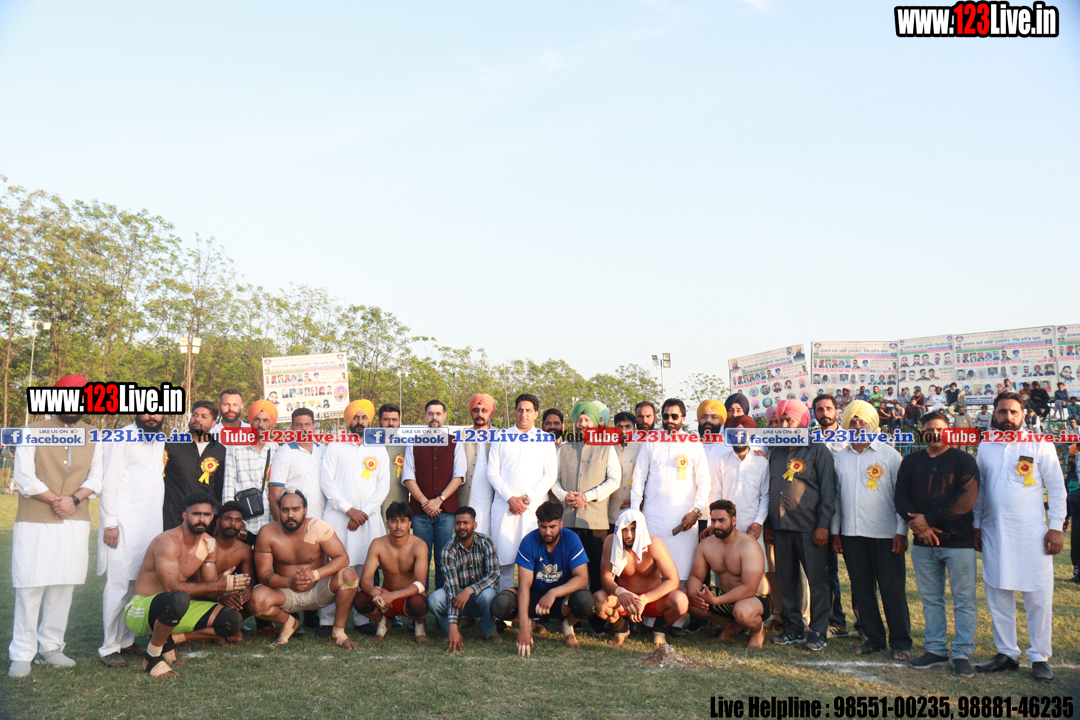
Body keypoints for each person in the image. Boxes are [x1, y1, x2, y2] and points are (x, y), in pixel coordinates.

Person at [8, 375, 103, 678]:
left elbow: (97, 477)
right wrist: (56, 500)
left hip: (74, 521)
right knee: (30, 584)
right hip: (34, 521)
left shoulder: (94, 434)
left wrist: (73, 500)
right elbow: (23, 476)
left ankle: (51, 647)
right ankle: (22, 652)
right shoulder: (31, 431)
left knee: (64, 584)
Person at [973, 393, 1066, 683]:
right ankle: (1007, 653)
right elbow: (981, 489)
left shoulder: (1040, 443)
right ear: (994, 414)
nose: (1008, 417)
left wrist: (1056, 527)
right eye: (1003, 411)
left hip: (1032, 533)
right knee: (998, 594)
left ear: (1023, 415)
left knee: (1038, 596)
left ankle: (1039, 657)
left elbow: (1056, 487)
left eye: (1014, 412)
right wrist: (976, 525)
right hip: (995, 531)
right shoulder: (986, 444)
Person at [123, 492, 248, 679]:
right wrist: (218, 585)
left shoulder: (209, 544)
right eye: (196, 514)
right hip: (141, 609)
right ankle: (152, 657)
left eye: (206, 515)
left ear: (212, 517)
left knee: (232, 620)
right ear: (185, 515)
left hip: (175, 606)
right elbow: (171, 587)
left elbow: (210, 589)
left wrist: (227, 587)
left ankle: (170, 640)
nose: (201, 519)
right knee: (179, 598)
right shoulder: (167, 542)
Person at [894, 411, 980, 676]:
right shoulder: (911, 461)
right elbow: (900, 496)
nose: (934, 433)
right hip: (923, 544)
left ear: (949, 430)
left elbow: (966, 499)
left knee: (963, 600)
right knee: (931, 600)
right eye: (929, 429)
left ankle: (962, 653)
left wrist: (928, 521)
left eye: (940, 429)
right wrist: (918, 526)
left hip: (959, 542)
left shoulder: (964, 460)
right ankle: (936, 650)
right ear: (922, 432)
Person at [831, 401, 911, 661]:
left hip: (887, 535)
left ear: (872, 424)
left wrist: (901, 531)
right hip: (852, 535)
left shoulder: (890, 455)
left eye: (862, 421)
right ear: (846, 425)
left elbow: (902, 497)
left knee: (892, 590)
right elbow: (836, 499)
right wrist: (835, 532)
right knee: (862, 590)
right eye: (853, 421)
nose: (857, 425)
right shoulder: (839, 458)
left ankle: (900, 641)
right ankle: (874, 639)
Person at [631, 398, 708, 634]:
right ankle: (648, 619)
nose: (669, 421)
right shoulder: (651, 442)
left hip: (684, 519)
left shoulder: (693, 443)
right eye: (666, 416)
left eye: (674, 416)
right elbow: (638, 478)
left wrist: (696, 511)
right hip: (653, 517)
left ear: (683, 418)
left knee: (682, 569)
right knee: (652, 568)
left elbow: (704, 482)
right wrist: (635, 514)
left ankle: (676, 621)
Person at [248, 490, 360, 650]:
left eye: (296, 509)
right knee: (256, 600)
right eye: (285, 510)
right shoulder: (267, 533)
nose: (290, 515)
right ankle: (289, 623)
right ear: (279, 510)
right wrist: (289, 582)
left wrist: (315, 575)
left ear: (305, 510)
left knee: (349, 576)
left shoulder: (318, 527)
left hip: (318, 590)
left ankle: (338, 633)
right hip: (286, 593)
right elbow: (263, 574)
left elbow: (343, 558)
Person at [97, 413, 166, 667]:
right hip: (123, 524)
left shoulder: (159, 438)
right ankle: (109, 647)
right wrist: (110, 523)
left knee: (139, 584)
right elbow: (109, 483)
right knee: (118, 585)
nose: (152, 416)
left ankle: (127, 640)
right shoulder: (121, 437)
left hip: (150, 524)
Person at [767, 399, 836, 652]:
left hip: (810, 528)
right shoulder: (775, 452)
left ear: (804, 422)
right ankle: (793, 627)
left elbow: (828, 492)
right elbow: (770, 488)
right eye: (781, 420)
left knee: (817, 581)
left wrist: (823, 525)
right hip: (780, 527)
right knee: (786, 580)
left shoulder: (817, 450)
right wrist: (769, 524)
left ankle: (818, 630)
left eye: (790, 420)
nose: (784, 425)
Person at [491, 501, 595, 655]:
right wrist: (523, 629)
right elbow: (524, 586)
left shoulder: (571, 539)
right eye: (543, 527)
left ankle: (567, 626)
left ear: (561, 524)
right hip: (535, 596)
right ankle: (530, 624)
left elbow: (582, 578)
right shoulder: (529, 541)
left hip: (561, 597)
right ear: (538, 524)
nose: (547, 532)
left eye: (552, 527)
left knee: (586, 602)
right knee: (500, 604)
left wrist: (553, 593)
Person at [320, 398, 389, 634]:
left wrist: (364, 513)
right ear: (349, 420)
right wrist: (349, 510)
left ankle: (362, 619)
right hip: (338, 518)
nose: (360, 421)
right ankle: (327, 620)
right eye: (356, 417)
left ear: (370, 421)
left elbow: (383, 486)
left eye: (364, 417)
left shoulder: (378, 448)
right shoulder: (335, 445)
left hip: (368, 519)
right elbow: (327, 481)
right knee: (335, 567)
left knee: (364, 568)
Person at [549, 401, 620, 607]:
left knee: (597, 571)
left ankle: (597, 615)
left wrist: (587, 497)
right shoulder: (563, 449)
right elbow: (553, 479)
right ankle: (568, 613)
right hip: (568, 520)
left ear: (595, 423)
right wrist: (565, 496)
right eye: (579, 419)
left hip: (595, 522)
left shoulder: (607, 449)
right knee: (567, 570)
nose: (582, 424)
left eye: (587, 419)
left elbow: (614, 480)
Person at [486, 393, 559, 591]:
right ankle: (505, 608)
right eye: (520, 410)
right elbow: (492, 472)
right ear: (515, 412)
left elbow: (550, 475)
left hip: (533, 510)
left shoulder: (545, 439)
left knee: (535, 562)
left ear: (536, 414)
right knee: (504, 563)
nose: (523, 414)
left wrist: (527, 499)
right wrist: (511, 498)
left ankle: (533, 607)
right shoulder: (501, 437)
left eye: (528, 410)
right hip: (505, 508)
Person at [593, 510, 689, 647]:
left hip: (652, 600)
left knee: (681, 602)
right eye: (624, 529)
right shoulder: (611, 541)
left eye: (633, 529)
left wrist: (645, 599)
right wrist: (621, 592)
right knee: (598, 600)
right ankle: (621, 628)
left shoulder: (654, 543)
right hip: (625, 600)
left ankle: (660, 630)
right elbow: (606, 579)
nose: (628, 535)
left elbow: (673, 581)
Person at [686, 500, 770, 649]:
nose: (716, 525)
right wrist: (693, 593)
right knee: (685, 597)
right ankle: (730, 624)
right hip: (726, 597)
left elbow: (750, 588)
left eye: (722, 521)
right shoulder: (706, 545)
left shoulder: (749, 546)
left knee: (742, 611)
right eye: (713, 521)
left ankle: (757, 631)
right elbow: (696, 576)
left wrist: (716, 601)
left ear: (733, 520)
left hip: (755, 599)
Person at [402, 399, 465, 591]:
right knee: (420, 559)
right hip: (420, 513)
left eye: (438, 414)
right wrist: (425, 502)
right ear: (425, 416)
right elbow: (408, 477)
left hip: (446, 513)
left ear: (445, 416)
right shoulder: (413, 442)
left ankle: (442, 602)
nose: (434, 417)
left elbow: (459, 476)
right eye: (431, 414)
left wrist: (439, 500)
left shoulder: (455, 442)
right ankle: (419, 601)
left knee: (443, 559)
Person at [355, 502, 430, 644]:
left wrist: (393, 596)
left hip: (408, 596)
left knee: (419, 602)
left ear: (409, 524)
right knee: (360, 600)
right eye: (394, 521)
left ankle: (419, 625)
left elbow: (421, 584)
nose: (398, 526)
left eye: (403, 521)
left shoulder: (419, 545)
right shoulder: (378, 544)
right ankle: (383, 622)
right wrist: (374, 592)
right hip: (386, 594)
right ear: (387, 524)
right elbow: (364, 579)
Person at [428, 506, 501, 650]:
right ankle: (451, 629)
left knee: (490, 595)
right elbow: (452, 589)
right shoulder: (448, 550)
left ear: (474, 525)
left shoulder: (486, 542)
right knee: (434, 600)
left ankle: (487, 629)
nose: (461, 527)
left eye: (466, 523)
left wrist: (469, 590)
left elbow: (494, 574)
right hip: (457, 593)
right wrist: (452, 626)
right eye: (458, 523)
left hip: (479, 594)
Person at [162, 400, 227, 529]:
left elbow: (219, 488)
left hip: (203, 520)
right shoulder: (172, 445)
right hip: (173, 516)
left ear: (213, 424)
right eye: (195, 415)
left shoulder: (219, 450)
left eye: (204, 416)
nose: (197, 419)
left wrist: (218, 520)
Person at [221, 401, 279, 535]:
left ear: (271, 424)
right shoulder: (235, 447)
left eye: (265, 420)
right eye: (257, 419)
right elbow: (228, 486)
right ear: (251, 421)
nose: (260, 425)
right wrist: (231, 520)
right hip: (244, 523)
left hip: (270, 522)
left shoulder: (276, 449)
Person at [269, 408, 326, 521]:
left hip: (323, 521)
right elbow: (274, 496)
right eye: (299, 425)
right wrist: (281, 527)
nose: (304, 428)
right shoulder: (284, 453)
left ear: (313, 426)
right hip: (295, 523)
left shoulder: (323, 450)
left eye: (307, 424)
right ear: (292, 428)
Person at [212, 501, 255, 631]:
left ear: (242, 524)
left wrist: (246, 591)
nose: (232, 524)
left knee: (255, 596)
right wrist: (220, 597)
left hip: (229, 596)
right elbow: (198, 583)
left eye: (237, 520)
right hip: (206, 596)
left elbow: (248, 581)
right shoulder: (206, 545)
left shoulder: (245, 549)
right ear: (218, 522)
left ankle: (235, 622)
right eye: (228, 519)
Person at [458, 394, 497, 533]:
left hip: (493, 496)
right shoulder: (462, 436)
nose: (479, 414)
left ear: (490, 412)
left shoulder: (500, 435)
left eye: (484, 410)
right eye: (476, 410)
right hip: (467, 495)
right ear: (471, 412)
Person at [608, 412, 639, 532]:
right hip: (610, 512)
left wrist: (637, 502)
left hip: (634, 510)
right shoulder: (608, 448)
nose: (623, 431)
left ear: (634, 430)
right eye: (619, 427)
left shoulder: (642, 449)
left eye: (628, 427)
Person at [377, 403, 408, 517]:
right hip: (371, 504)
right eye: (386, 419)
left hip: (398, 504)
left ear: (399, 422)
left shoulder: (408, 446)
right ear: (379, 421)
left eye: (394, 420)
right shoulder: (369, 445)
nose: (391, 423)